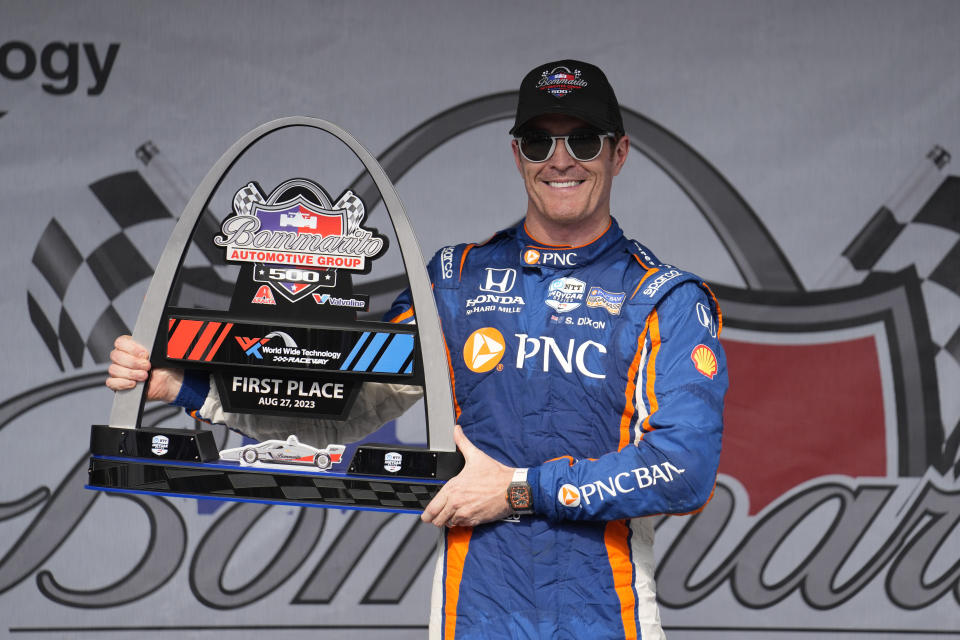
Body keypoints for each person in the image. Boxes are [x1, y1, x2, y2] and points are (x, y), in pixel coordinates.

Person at [107, 59, 727, 640]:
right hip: (469, 615)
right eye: (539, 141)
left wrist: (518, 488)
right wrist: (186, 386)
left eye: (583, 141)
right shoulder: (454, 282)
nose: (560, 160)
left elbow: (685, 467)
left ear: (619, 153)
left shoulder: (665, 299)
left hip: (609, 618)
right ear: (517, 155)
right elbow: (345, 405)